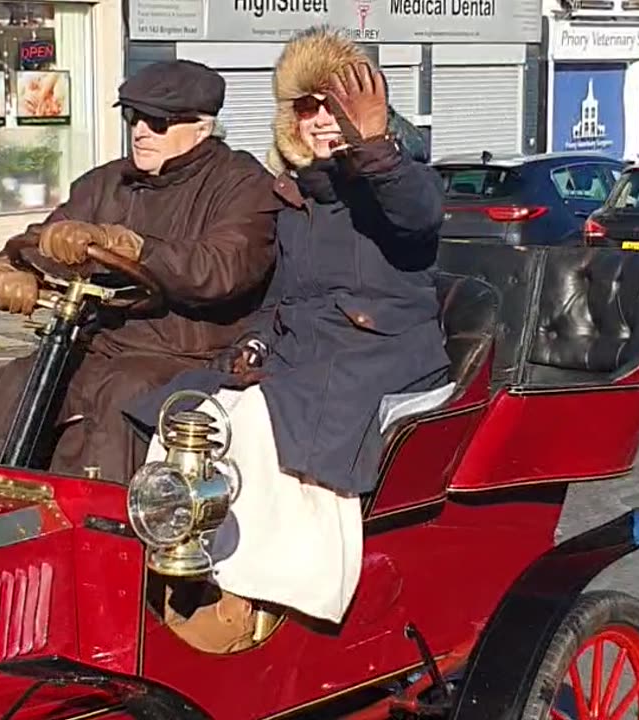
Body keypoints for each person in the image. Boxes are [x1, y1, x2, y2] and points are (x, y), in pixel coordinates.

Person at [125, 26, 450, 653]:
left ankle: (275, 589)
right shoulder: (295, 195)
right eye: (308, 107)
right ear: (289, 120)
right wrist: (249, 345)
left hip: (384, 351)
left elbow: (420, 216)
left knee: (272, 416)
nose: (323, 120)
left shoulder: (393, 177)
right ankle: (184, 560)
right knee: (196, 407)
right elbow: (279, 296)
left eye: (336, 104)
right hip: (309, 348)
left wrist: (375, 142)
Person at [0, 60, 281, 481]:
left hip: (188, 355)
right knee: (15, 380)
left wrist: (138, 249)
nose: (141, 130)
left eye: (159, 121)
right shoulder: (107, 183)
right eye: (134, 116)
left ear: (202, 128)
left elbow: (224, 266)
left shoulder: (242, 184)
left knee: (122, 396)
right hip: (100, 343)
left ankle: (106, 521)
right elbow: (48, 237)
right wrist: (11, 268)